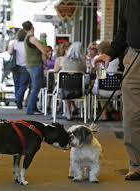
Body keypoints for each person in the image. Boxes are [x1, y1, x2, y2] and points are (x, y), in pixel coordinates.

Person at [94, 0, 140, 180]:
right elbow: (122, 29)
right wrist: (110, 53)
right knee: (131, 115)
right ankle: (136, 165)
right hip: (134, 56)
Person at [22, 21, 47, 115]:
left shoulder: (26, 38)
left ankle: (33, 108)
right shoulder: (32, 38)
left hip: (31, 65)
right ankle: (30, 109)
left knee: (34, 86)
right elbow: (43, 50)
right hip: (35, 65)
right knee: (36, 87)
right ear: (32, 27)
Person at [92, 41, 121, 120]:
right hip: (117, 89)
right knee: (104, 89)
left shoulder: (99, 59)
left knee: (100, 91)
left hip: (103, 89)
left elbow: (101, 76)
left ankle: (104, 113)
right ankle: (111, 110)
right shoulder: (118, 60)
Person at [59, 42, 86, 120]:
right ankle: (74, 108)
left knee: (66, 86)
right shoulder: (82, 62)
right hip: (79, 90)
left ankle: (68, 111)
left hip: (65, 91)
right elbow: (84, 72)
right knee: (72, 85)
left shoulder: (64, 60)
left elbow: (60, 70)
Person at [8, 29, 30, 109]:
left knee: (17, 85)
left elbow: (9, 52)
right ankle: (18, 99)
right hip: (25, 67)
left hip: (15, 66)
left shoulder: (14, 42)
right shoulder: (26, 44)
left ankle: (18, 101)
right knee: (23, 85)